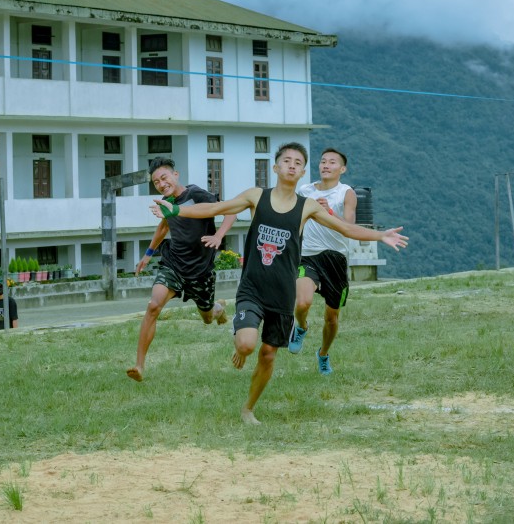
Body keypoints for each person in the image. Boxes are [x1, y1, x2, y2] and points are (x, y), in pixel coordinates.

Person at [152, 142, 408, 425]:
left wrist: (381, 235)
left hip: (283, 292)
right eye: (286, 160)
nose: (292, 165)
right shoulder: (256, 196)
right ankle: (240, 343)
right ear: (276, 167)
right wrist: (176, 212)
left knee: (269, 354)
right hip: (252, 286)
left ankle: (248, 408)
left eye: (298, 162)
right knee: (248, 345)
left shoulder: (306, 206)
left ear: (301, 173)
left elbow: (346, 228)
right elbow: (215, 207)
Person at [126, 157, 237, 382]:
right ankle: (139, 365)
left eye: (164, 177)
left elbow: (231, 211)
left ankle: (217, 308)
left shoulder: (197, 195)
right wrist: (147, 255)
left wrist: (219, 235)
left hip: (200, 270)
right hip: (173, 263)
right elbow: (163, 227)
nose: (161, 183)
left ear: (175, 175)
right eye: (156, 182)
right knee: (153, 306)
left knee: (207, 317)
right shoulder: (165, 202)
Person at [290, 148, 356, 375]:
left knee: (331, 319)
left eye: (332, 162)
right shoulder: (305, 190)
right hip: (308, 255)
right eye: (323, 161)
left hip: (336, 259)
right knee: (302, 303)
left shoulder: (346, 193)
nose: (326, 165)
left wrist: (328, 212)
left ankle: (324, 354)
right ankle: (301, 327)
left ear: (342, 169)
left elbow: (349, 228)